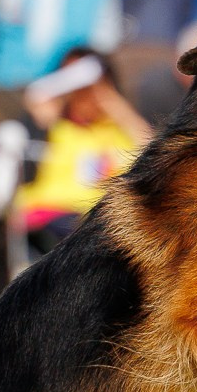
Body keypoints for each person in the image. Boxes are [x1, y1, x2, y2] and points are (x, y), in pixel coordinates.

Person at [14, 49, 151, 249]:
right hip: (48, 215)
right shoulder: (56, 126)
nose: (82, 92)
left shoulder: (119, 130)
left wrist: (111, 101)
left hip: (94, 221)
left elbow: (151, 151)